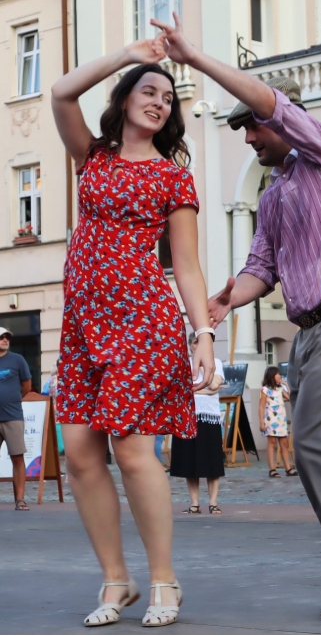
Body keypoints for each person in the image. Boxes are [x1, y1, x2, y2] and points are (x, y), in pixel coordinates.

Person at [155, 13, 321, 618]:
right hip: (312, 331)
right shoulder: (272, 195)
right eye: (242, 131)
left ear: (280, 120)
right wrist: (225, 300)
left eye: (253, 128)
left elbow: (268, 100)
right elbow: (261, 267)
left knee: (319, 440)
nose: (247, 138)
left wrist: (194, 60)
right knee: (315, 449)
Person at [50, 34, 216, 627]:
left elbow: (188, 266)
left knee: (132, 450)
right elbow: (61, 91)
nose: (160, 102)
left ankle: (164, 581)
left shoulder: (174, 179)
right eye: (149, 91)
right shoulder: (90, 156)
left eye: (168, 99)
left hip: (142, 321)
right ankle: (116, 581)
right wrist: (130, 55)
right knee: (80, 457)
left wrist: (203, 334)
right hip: (81, 326)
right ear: (123, 99)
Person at [171, 333, 226, 514]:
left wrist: (201, 377)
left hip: (209, 415)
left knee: (213, 461)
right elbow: (182, 390)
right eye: (196, 342)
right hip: (188, 417)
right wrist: (207, 388)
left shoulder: (215, 362)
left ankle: (213, 502)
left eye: (204, 342)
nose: (199, 346)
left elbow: (214, 385)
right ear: (190, 345)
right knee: (190, 462)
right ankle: (194, 503)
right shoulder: (184, 363)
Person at [0, 327, 32, 511]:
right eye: (1, 337)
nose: (5, 340)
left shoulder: (17, 360)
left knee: (18, 457)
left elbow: (26, 386)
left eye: (7, 338)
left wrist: (11, 400)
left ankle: (20, 499)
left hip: (13, 417)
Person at [260, 366, 296, 478]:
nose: (279, 376)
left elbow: (290, 398)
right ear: (272, 376)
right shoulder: (265, 389)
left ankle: (288, 468)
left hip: (281, 420)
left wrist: (286, 385)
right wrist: (261, 422)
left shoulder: (280, 388)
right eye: (277, 374)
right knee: (271, 443)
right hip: (271, 420)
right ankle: (272, 469)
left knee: (284, 443)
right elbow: (261, 406)